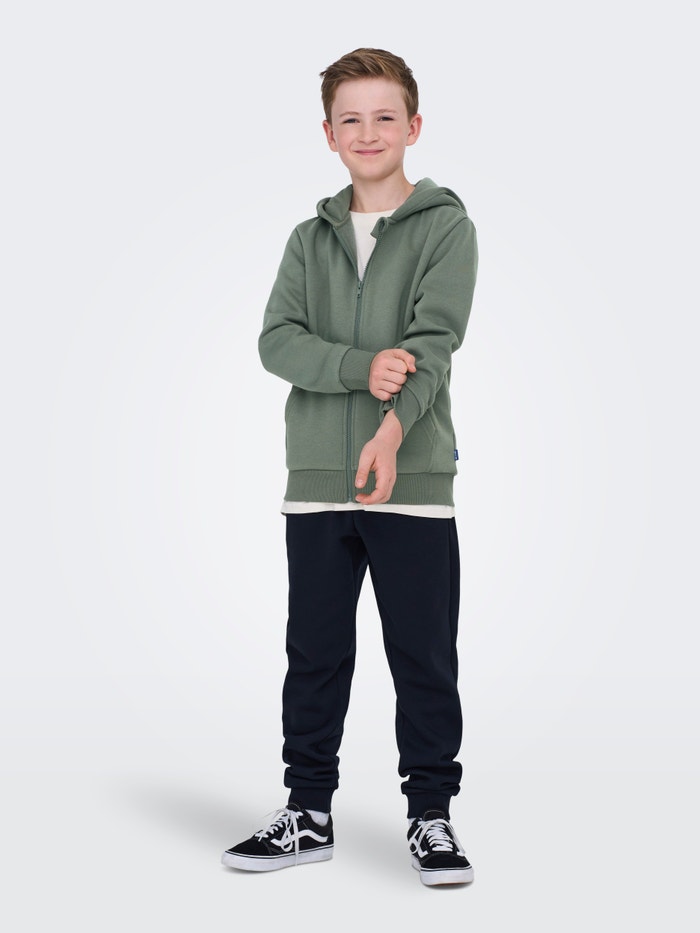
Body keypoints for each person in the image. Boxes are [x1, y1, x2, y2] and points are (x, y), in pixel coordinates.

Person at [222, 48, 478, 887]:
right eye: (350, 119)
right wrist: (362, 369)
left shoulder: (445, 228)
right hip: (317, 485)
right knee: (316, 653)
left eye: (384, 116)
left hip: (414, 483)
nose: (368, 133)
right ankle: (308, 812)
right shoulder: (309, 240)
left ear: (414, 125)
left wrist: (394, 431)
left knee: (423, 656)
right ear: (328, 134)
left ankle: (432, 815)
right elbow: (277, 341)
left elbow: (433, 344)